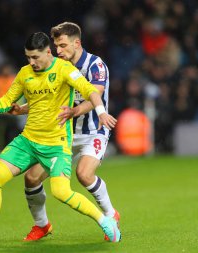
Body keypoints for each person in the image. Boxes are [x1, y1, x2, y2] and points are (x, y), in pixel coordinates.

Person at [0, 32, 121, 244]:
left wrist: (101, 112)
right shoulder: (25, 73)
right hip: (27, 141)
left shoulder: (64, 69)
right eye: (28, 57)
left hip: (56, 145)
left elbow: (90, 90)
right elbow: (7, 101)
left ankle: (105, 221)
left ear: (48, 52)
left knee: (61, 192)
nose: (31, 62)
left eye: (35, 57)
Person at [10, 22, 121, 241]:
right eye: (56, 46)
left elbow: (93, 95)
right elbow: (48, 100)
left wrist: (75, 111)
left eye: (62, 45)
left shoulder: (95, 65)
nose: (58, 51)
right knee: (31, 179)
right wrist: (23, 108)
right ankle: (42, 225)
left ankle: (110, 215)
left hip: (93, 131)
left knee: (84, 174)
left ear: (76, 42)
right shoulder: (58, 66)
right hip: (64, 134)